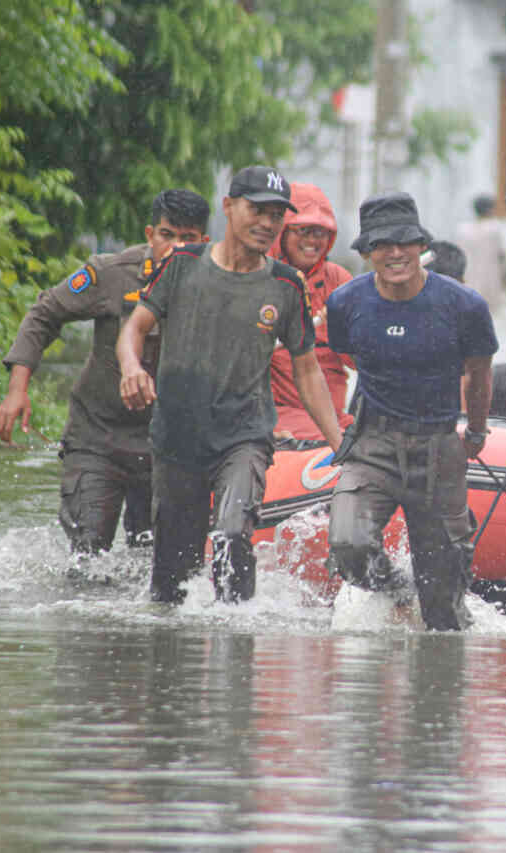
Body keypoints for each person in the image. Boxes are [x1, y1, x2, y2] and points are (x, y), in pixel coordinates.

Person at [117, 165, 343, 604]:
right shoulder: (182, 265)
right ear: (228, 207)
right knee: (171, 583)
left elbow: (308, 369)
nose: (266, 223)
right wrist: (131, 367)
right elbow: (136, 327)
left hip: (245, 436)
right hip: (178, 437)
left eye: (276, 215)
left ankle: (238, 640)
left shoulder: (284, 284)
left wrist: (340, 444)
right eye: (257, 210)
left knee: (233, 530)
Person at [0, 189, 210, 555]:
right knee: (89, 552)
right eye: (167, 235)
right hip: (97, 439)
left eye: (188, 239)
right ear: (149, 235)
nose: (175, 248)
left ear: (204, 242)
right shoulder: (112, 274)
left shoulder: (216, 287)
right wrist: (18, 388)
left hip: (167, 446)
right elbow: (45, 312)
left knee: (153, 561)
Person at [325, 191, 499, 631]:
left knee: (443, 613)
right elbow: (349, 358)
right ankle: (397, 590)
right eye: (382, 244)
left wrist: (475, 433)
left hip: (439, 446)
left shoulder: (464, 306)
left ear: (422, 245)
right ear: (366, 252)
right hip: (371, 444)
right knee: (348, 543)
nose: (396, 253)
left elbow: (479, 375)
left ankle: (437, 686)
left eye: (406, 241)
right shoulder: (345, 303)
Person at [267, 181, 355, 440]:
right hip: (280, 416)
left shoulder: (339, 281)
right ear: (282, 231)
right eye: (303, 230)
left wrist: (344, 332)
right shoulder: (261, 277)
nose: (312, 241)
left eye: (320, 232)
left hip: (334, 418)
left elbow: (361, 363)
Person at [454, 194, 506, 313]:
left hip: (466, 280)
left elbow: (456, 255)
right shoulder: (495, 228)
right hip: (489, 281)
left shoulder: (462, 229)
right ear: (490, 210)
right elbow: (502, 254)